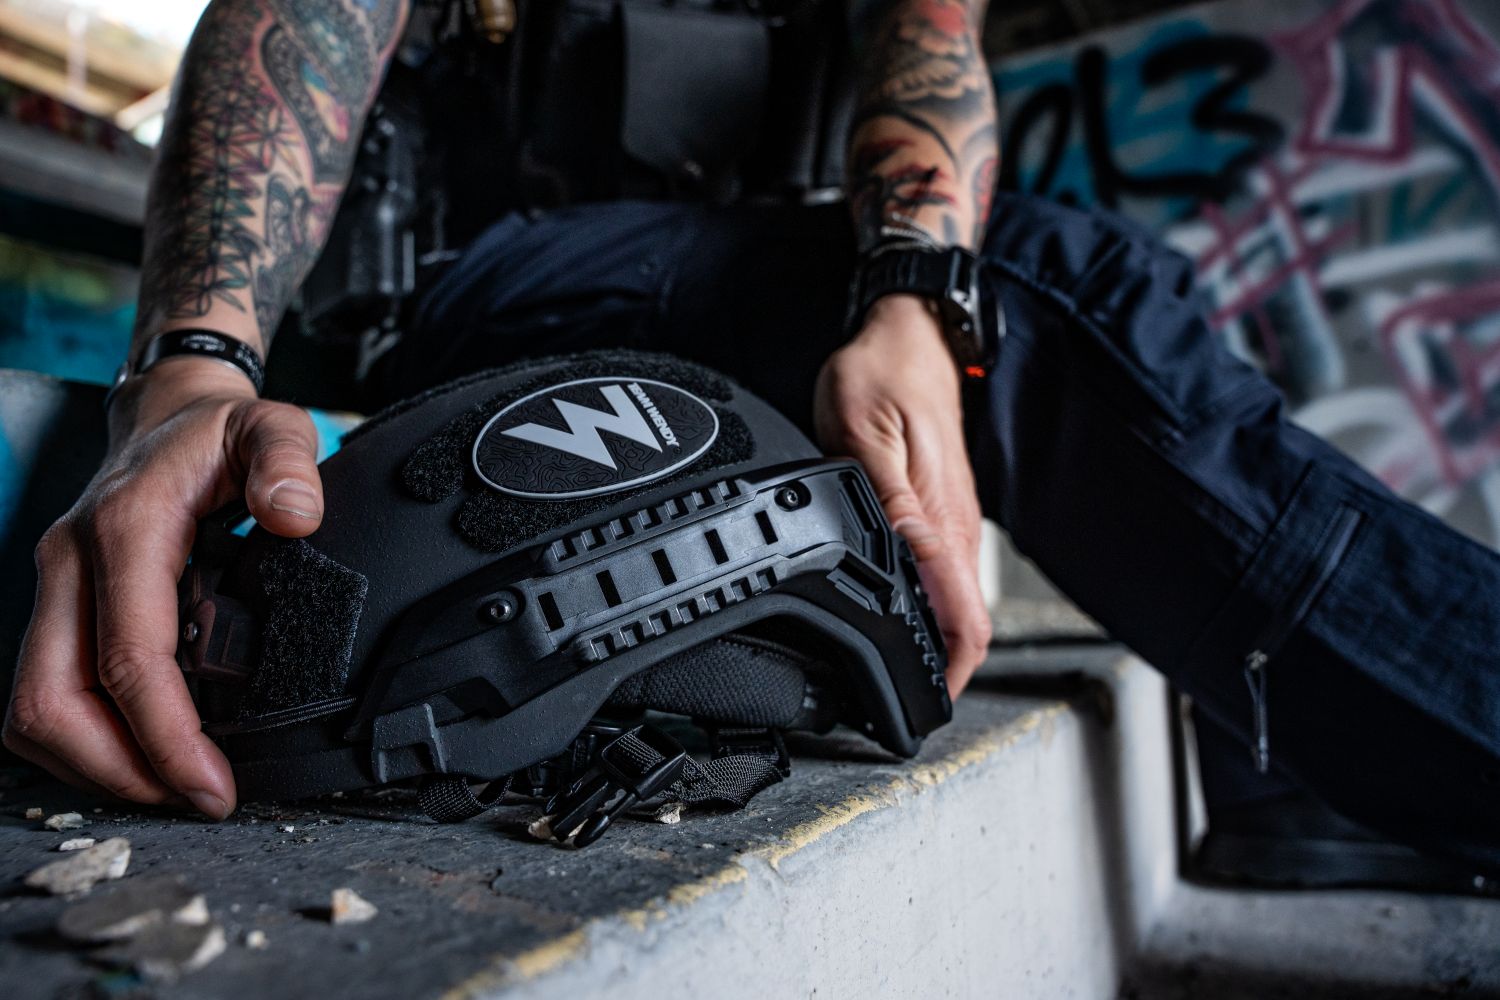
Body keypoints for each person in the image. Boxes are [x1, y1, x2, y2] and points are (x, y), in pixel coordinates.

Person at [8, 0, 1500, 875]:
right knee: (1054, 289)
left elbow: (927, 42)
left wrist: (919, 299)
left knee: (1015, 295)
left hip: (749, 270)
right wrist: (192, 366)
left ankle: (1325, 788)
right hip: (497, 291)